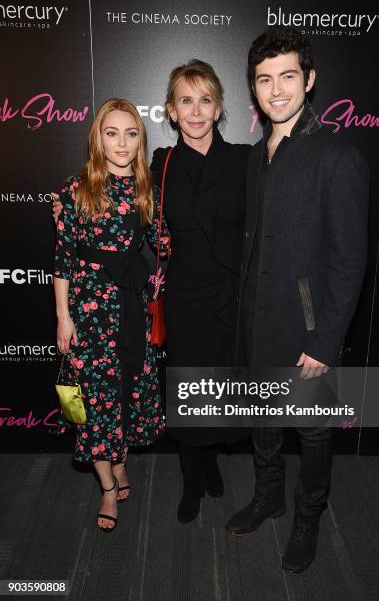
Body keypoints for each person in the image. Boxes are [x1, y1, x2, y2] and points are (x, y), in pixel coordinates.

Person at [226, 27, 369, 574]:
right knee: (264, 417)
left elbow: (348, 259)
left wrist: (326, 339)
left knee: (311, 430)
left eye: (288, 76)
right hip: (257, 321)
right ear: (254, 89)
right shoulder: (256, 156)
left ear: (309, 80)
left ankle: (308, 516)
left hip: (308, 331)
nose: (276, 89)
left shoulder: (337, 155)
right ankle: (269, 496)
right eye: (264, 79)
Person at [53, 98, 166, 532]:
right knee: (96, 406)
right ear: (97, 138)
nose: (121, 142)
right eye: (111, 132)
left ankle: (120, 463)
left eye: (131, 133)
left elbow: (164, 246)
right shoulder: (75, 190)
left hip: (131, 312)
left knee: (126, 398)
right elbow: (63, 260)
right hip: (89, 314)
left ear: (141, 140)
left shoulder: (147, 190)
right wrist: (64, 317)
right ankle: (106, 486)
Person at [150, 59, 251, 523]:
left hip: (231, 295)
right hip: (185, 295)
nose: (195, 111)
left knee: (222, 391)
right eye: (185, 101)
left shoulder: (245, 160)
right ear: (171, 111)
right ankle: (193, 474)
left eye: (204, 100)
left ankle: (211, 456)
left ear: (218, 108)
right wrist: (69, 204)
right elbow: (121, 205)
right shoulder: (161, 163)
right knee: (188, 391)